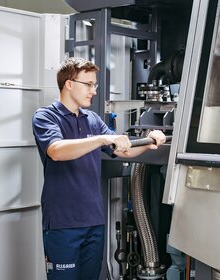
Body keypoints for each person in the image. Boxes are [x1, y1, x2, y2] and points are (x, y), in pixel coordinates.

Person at [32, 57, 166, 280]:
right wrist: (101, 139)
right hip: (63, 223)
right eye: (89, 84)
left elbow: (124, 150)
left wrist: (148, 140)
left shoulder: (92, 119)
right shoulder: (46, 117)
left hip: (94, 221)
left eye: (95, 85)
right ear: (69, 84)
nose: (93, 91)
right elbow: (56, 151)